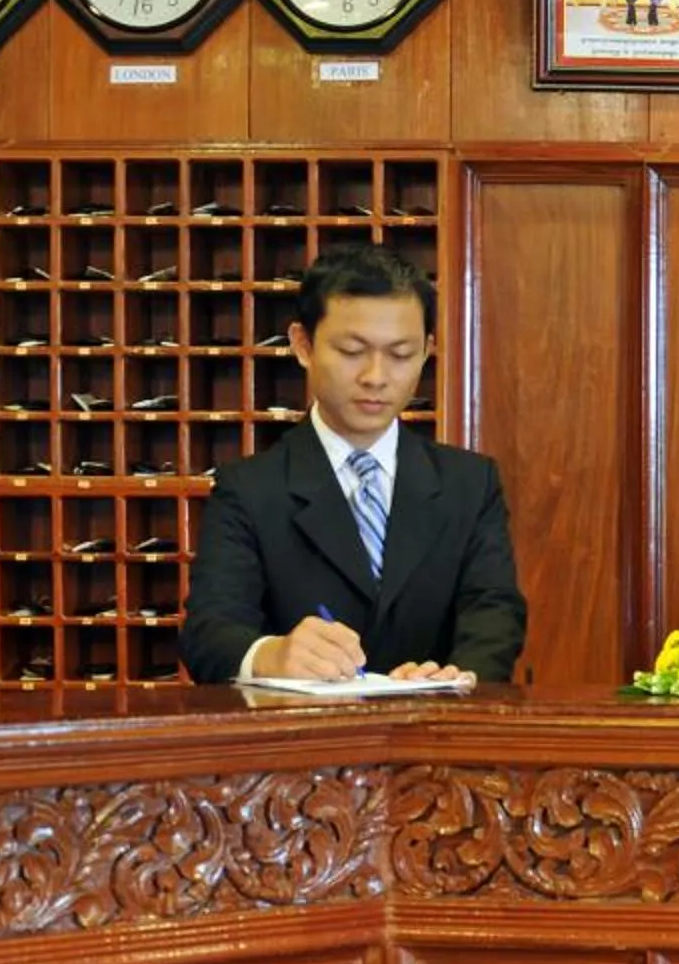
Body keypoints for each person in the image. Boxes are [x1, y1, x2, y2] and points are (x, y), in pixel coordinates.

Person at [180, 243, 525, 684]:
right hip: (302, 742)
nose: (376, 376)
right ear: (302, 345)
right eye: (351, 351)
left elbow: (494, 611)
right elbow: (208, 633)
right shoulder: (249, 488)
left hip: (434, 736)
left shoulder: (469, 482)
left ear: (427, 350)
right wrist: (272, 654)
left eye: (401, 354)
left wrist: (458, 675)